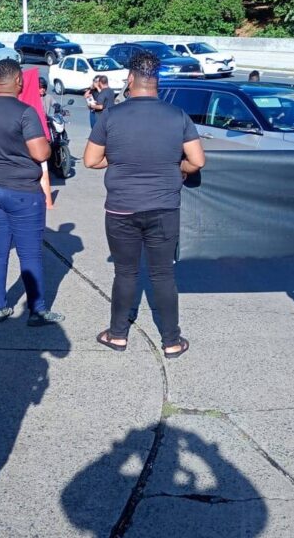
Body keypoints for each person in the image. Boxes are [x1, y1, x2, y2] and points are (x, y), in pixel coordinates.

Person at [83, 50, 205, 358]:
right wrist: (177, 167)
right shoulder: (177, 116)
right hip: (164, 208)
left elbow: (90, 160)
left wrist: (122, 158)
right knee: (163, 274)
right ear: (157, 81)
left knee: (125, 273)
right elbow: (197, 160)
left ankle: (117, 335)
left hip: (122, 208)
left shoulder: (111, 115)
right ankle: (172, 341)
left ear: (131, 78)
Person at [0, 58, 64, 326]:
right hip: (22, 191)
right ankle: (37, 310)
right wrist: (46, 143)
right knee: (30, 253)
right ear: (18, 80)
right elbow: (40, 152)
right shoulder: (26, 112)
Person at [38, 76, 55, 209]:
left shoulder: (48, 97)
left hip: (48, 123)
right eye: (40, 88)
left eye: (43, 88)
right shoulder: (33, 97)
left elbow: (54, 103)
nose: (42, 91)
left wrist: (59, 107)